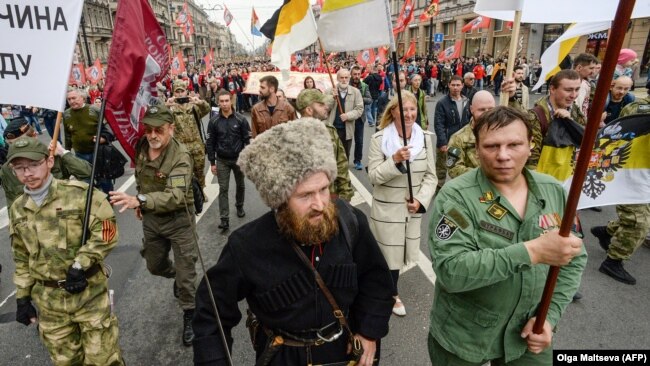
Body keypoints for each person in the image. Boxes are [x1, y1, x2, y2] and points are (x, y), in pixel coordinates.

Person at [192, 118, 394, 366]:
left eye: (323, 189)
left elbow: (376, 280)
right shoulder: (246, 245)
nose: (320, 204)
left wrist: (370, 332)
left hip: (343, 353)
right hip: (282, 356)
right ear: (280, 199)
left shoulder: (350, 222)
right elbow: (210, 313)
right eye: (306, 195)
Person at [428, 106, 587, 366]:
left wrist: (550, 316)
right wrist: (531, 252)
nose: (503, 155)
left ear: (531, 145)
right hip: (465, 337)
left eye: (514, 144)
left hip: (527, 335)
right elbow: (451, 271)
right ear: (477, 149)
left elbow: (573, 258)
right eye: (492, 146)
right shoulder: (456, 196)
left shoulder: (554, 192)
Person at [8, 137, 124, 365]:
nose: (27, 172)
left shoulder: (80, 194)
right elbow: (22, 257)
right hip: (49, 303)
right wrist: (22, 298)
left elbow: (107, 231)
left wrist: (81, 263)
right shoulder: (17, 208)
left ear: (49, 161)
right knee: (65, 362)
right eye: (19, 167)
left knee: (103, 360)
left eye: (33, 164)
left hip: (88, 296)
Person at [109, 105, 198, 347]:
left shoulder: (180, 157)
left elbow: (176, 195)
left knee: (186, 271)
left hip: (179, 221)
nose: (152, 135)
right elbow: (142, 178)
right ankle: (177, 278)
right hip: (152, 220)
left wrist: (140, 200)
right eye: (148, 129)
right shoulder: (142, 147)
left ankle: (190, 313)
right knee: (155, 265)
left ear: (171, 128)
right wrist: (141, 200)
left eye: (159, 130)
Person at [368, 90, 437, 317]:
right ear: (393, 112)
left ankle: (385, 287)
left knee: (402, 255)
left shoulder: (425, 138)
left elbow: (431, 176)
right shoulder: (379, 139)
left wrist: (420, 200)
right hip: (387, 210)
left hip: (411, 209)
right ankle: (392, 294)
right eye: (404, 109)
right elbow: (374, 177)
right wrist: (395, 161)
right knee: (389, 257)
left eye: (412, 109)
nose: (409, 114)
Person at [591, 94, 650, 285]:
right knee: (638, 223)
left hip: (644, 173)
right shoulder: (638, 110)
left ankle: (607, 231)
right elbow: (621, 138)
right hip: (631, 172)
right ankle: (613, 261)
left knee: (638, 216)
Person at [1, 118, 91, 209]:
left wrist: (63, 153)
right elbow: (12, 204)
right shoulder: (7, 169)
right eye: (11, 144)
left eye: (23, 143)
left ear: (34, 136)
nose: (17, 149)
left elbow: (87, 173)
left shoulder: (52, 156)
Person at [503, 70, 586, 169]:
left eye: (577, 89)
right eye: (568, 90)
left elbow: (586, 140)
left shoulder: (575, 110)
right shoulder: (537, 116)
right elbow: (531, 160)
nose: (574, 95)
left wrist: (571, 122)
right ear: (552, 89)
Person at [296, 89, 354, 202]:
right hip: (305, 201)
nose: (326, 107)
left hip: (330, 196)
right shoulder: (292, 135)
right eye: (321, 104)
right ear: (309, 110)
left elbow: (341, 164)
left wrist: (345, 195)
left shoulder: (329, 130)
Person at [205, 90, 251, 231]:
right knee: (223, 189)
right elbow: (210, 143)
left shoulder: (241, 119)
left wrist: (247, 158)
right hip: (222, 160)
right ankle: (224, 218)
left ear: (231, 101)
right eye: (222, 101)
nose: (224, 104)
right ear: (218, 102)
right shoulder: (213, 121)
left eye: (226, 101)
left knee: (240, 185)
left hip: (238, 159)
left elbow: (247, 140)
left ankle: (239, 206)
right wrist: (212, 163)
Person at [63, 88, 115, 194]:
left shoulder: (95, 110)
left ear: (83, 98)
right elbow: (67, 135)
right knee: (86, 180)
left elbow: (110, 127)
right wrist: (66, 151)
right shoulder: (66, 114)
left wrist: (103, 138)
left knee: (104, 178)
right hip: (80, 154)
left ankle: (109, 199)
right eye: (69, 99)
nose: (71, 101)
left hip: (98, 153)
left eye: (74, 98)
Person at [166, 80, 210, 191]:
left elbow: (207, 109)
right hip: (180, 148)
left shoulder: (193, 107)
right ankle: (186, 195)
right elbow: (160, 119)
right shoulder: (171, 109)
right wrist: (166, 105)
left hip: (196, 146)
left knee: (199, 172)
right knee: (182, 172)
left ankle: (200, 192)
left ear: (187, 92)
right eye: (177, 92)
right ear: (173, 93)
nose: (180, 94)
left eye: (182, 91)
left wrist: (199, 102)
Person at [446, 90, 496, 179]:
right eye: (482, 110)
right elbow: (454, 169)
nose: (487, 113)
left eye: (491, 109)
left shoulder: (502, 133)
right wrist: (484, 175)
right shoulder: (458, 138)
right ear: (471, 109)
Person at [434, 75, 470, 190]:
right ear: (449, 85)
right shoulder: (442, 103)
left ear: (462, 86)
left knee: (459, 166)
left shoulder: (467, 101)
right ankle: (439, 187)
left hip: (462, 142)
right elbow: (438, 124)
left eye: (458, 85)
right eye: (453, 85)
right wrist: (442, 142)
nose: (455, 87)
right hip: (447, 142)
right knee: (442, 167)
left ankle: (459, 189)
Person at [327, 69, 364, 159]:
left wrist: (348, 116)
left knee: (344, 155)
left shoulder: (356, 92)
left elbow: (359, 109)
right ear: (337, 78)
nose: (344, 80)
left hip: (347, 130)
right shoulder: (329, 91)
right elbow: (324, 107)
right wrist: (332, 98)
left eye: (346, 77)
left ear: (349, 78)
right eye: (341, 77)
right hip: (332, 128)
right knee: (331, 155)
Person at [351, 66, 372, 170]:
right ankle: (343, 160)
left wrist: (359, 98)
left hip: (360, 118)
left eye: (358, 74)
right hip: (348, 117)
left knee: (359, 141)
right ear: (351, 74)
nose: (357, 76)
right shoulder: (346, 84)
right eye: (355, 74)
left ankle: (357, 161)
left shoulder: (364, 86)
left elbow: (369, 100)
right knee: (346, 140)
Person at [572, 53, 599, 118]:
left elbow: (584, 107)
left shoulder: (587, 85)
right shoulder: (563, 82)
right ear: (579, 68)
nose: (593, 72)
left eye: (595, 68)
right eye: (591, 68)